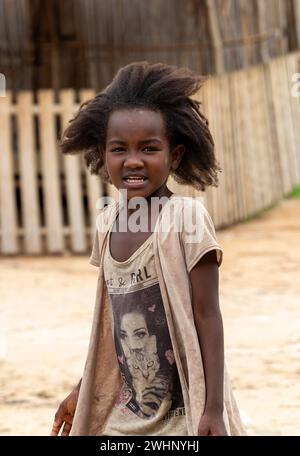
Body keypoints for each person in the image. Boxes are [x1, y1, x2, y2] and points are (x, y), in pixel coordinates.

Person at [51, 61, 246, 436]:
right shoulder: (107, 224)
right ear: (102, 155)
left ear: (174, 156)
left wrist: (214, 410)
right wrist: (82, 388)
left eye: (149, 148)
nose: (133, 160)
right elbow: (110, 324)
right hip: (126, 411)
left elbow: (208, 316)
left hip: (183, 413)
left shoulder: (185, 219)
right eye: (119, 148)